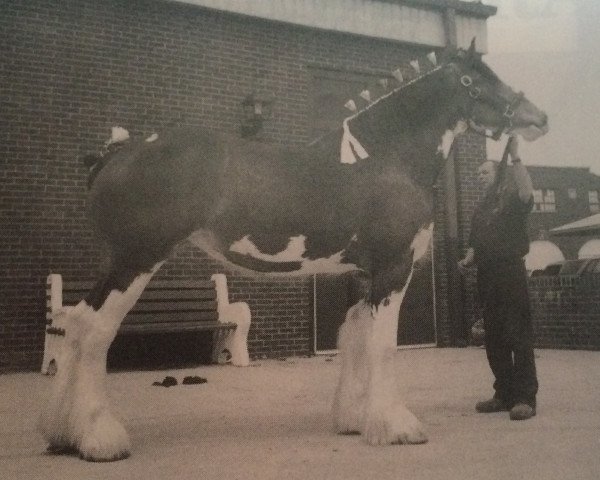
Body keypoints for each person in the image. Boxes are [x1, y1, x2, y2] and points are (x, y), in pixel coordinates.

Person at [458, 136, 538, 421]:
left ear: (498, 174)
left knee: (518, 334)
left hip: (510, 272)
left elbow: (528, 193)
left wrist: (516, 158)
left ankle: (526, 398)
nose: (480, 176)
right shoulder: (480, 209)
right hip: (487, 275)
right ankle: (503, 394)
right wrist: (468, 259)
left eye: (485, 172)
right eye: (478, 173)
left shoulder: (512, 199)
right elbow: (474, 243)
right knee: (494, 338)